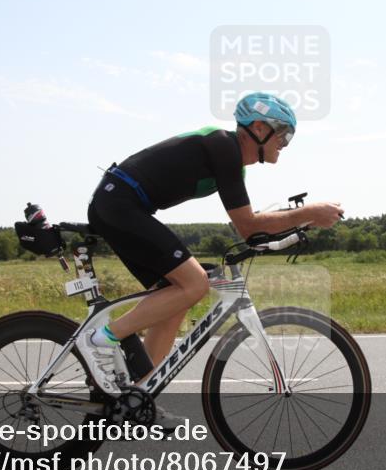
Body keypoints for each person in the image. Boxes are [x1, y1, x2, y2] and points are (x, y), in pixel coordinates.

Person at [81, 92, 344, 428]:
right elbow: (248, 225)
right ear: (259, 128)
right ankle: (102, 339)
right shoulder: (223, 147)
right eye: (283, 135)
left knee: (176, 298)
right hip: (119, 203)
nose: (285, 144)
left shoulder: (232, 161)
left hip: (123, 205)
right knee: (195, 284)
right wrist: (308, 212)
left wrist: (299, 224)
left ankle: (138, 395)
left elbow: (249, 229)